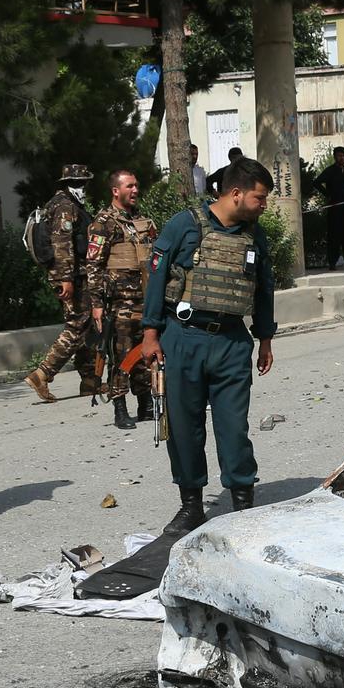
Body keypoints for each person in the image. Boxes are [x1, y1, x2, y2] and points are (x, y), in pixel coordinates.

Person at [135, 156, 279, 533]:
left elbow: (263, 288)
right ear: (236, 194)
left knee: (233, 427)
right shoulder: (184, 226)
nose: (263, 206)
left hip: (232, 342)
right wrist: (150, 334)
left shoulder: (254, 235)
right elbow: (157, 277)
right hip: (183, 337)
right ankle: (191, 505)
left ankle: (242, 502)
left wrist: (265, 337)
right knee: (183, 427)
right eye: (260, 198)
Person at [84, 168, 159, 430]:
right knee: (122, 354)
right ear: (116, 191)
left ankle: (145, 403)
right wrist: (96, 304)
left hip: (145, 298)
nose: (135, 190)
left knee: (144, 351)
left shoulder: (142, 221)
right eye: (129, 186)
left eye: (136, 185)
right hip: (119, 302)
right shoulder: (103, 223)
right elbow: (93, 266)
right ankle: (119, 406)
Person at [26, 163, 100, 403]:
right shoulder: (65, 207)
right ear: (69, 185)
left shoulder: (63, 204)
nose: (83, 187)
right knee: (77, 325)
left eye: (84, 183)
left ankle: (90, 381)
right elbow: (62, 244)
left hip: (76, 274)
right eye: (79, 183)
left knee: (87, 324)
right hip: (72, 276)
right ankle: (42, 374)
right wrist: (65, 278)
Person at [314, 146, 344, 269]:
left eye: (343, 156)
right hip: (334, 207)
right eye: (339, 155)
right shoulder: (330, 171)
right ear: (335, 156)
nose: (341, 158)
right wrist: (328, 195)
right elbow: (316, 182)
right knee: (334, 234)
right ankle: (332, 262)